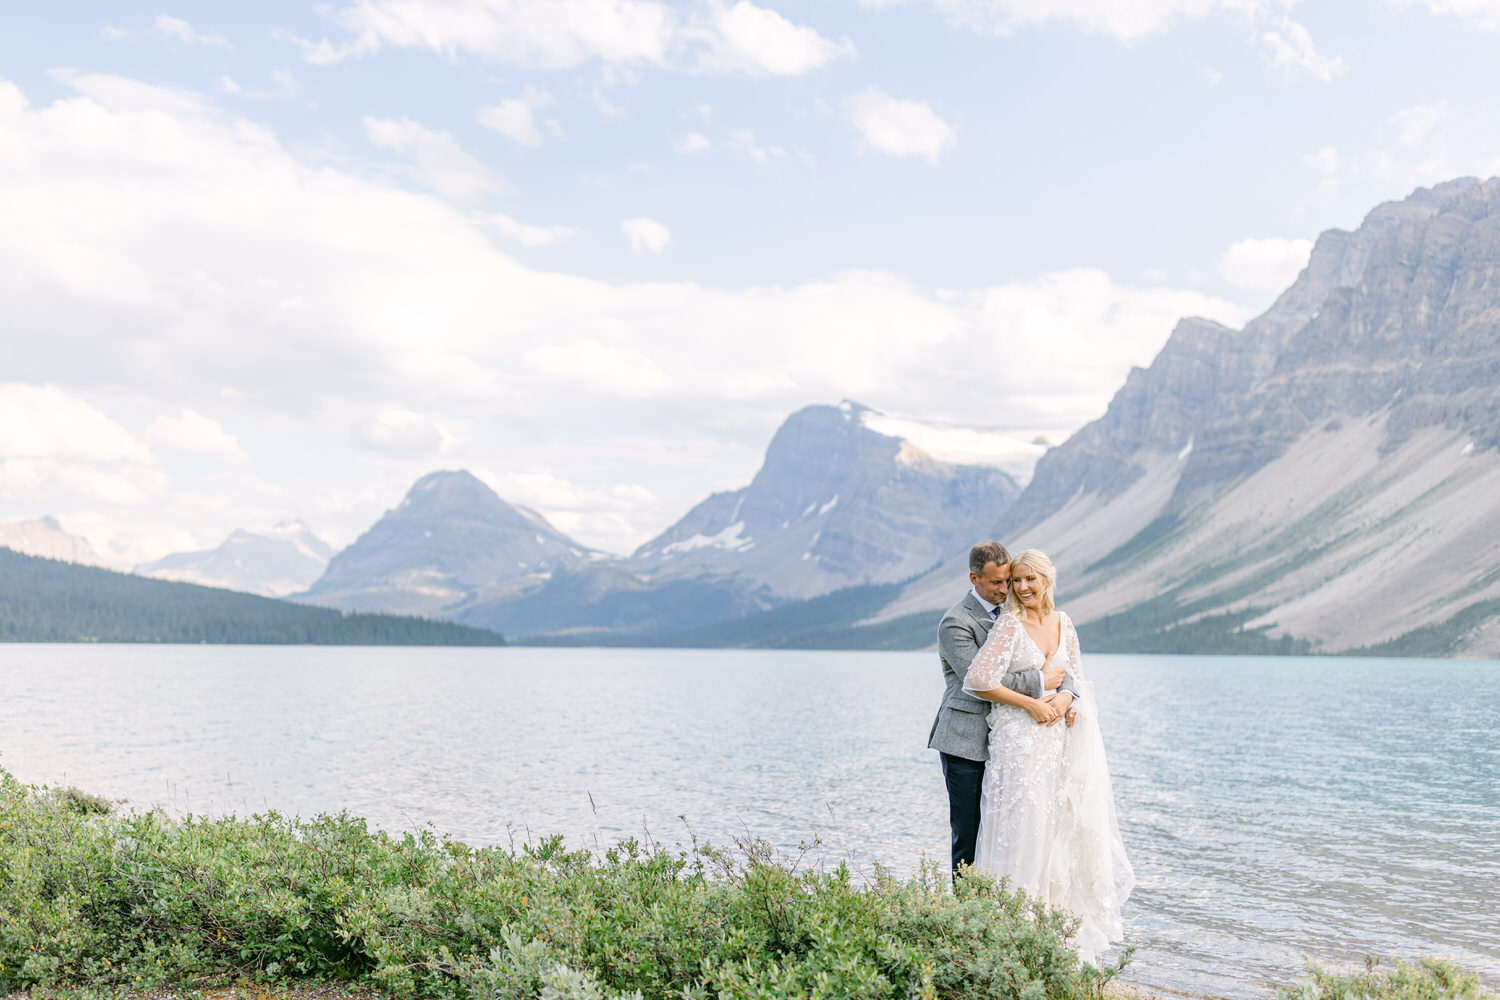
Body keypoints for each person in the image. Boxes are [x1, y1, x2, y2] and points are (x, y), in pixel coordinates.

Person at [963, 549, 1134, 964]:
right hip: (1019, 744)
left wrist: (1065, 701)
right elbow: (978, 680)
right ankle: (1008, 934)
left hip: (1056, 743)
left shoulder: (1065, 623)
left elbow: (1074, 676)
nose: (1021, 588)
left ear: (1047, 580)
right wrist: (1032, 705)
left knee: (1058, 830)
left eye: (1029, 580)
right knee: (1024, 829)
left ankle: (1050, 935)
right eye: (1016, 581)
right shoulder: (1008, 624)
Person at [928, 541, 1080, 877]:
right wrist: (1040, 683)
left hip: (1014, 745)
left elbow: (1060, 663)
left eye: (1008, 580)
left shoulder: (1023, 615)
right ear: (974, 578)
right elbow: (976, 678)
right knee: (969, 835)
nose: (1006, 589)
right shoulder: (957, 622)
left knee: (1010, 834)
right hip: (966, 742)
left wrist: (1067, 692)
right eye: (997, 583)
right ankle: (964, 916)